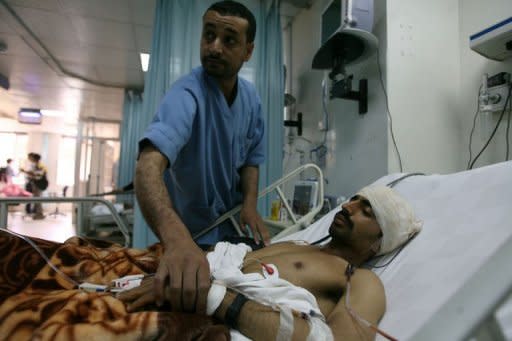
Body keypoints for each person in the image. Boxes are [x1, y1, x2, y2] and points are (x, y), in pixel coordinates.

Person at [120, 185, 423, 340]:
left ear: (379, 241)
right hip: (179, 275)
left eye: (366, 211)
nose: (347, 206)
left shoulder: (360, 280)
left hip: (198, 307)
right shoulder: (299, 244)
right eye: (354, 199)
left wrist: (210, 295)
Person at [135, 1, 269, 315]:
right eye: (208, 36)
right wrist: (177, 240)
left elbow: (252, 158)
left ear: (248, 51)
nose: (214, 47)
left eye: (229, 40)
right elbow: (148, 166)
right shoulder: (187, 95)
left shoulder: (250, 99)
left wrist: (249, 205)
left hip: (228, 234)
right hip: (187, 234)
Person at [20, 153, 48, 219]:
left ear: (34, 158)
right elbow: (34, 174)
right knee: (36, 199)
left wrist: (25, 172)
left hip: (39, 184)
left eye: (32, 158)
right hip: (35, 183)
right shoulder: (35, 165)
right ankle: (37, 213)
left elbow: (38, 175)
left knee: (38, 199)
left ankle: (40, 214)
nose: (30, 159)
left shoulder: (40, 165)